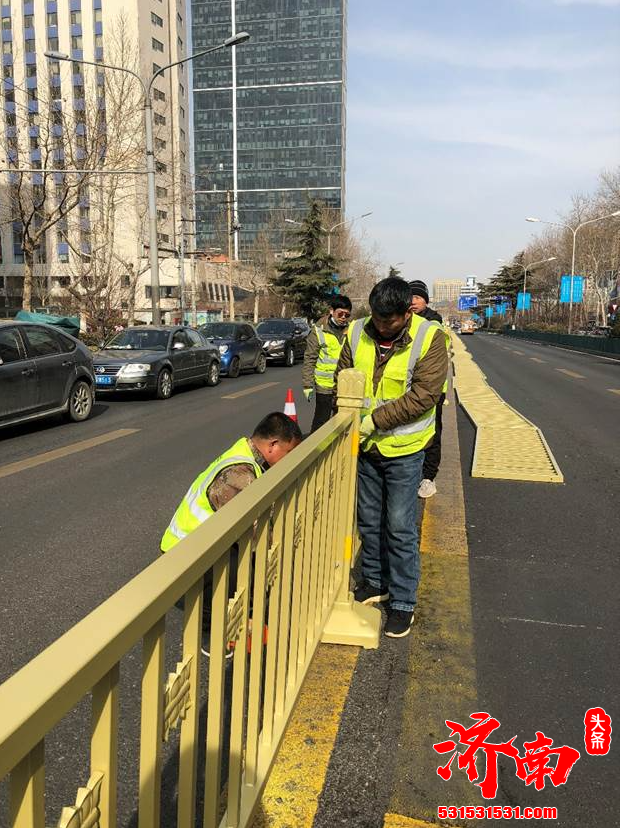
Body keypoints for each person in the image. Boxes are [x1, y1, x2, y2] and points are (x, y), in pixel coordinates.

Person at [334, 277, 448, 638]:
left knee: (399, 526)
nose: (382, 327)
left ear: (407, 314)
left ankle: (402, 601)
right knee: (367, 519)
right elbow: (344, 377)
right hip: (367, 448)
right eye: (378, 320)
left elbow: (425, 395)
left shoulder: (430, 338)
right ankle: (374, 580)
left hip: (405, 450)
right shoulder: (356, 333)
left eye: (391, 321)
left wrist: (374, 421)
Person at [160, 412, 302, 552]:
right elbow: (254, 536)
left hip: (199, 549)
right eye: (289, 452)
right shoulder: (237, 474)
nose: (290, 459)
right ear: (273, 445)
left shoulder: (245, 453)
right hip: (184, 556)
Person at [408, 280, 446, 499]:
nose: (413, 302)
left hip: (433, 390)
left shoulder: (433, 322)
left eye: (417, 298)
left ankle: (428, 477)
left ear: (426, 301)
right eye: (410, 298)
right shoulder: (402, 319)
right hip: (409, 386)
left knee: (432, 432)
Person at [302, 295, 352, 433]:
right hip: (324, 385)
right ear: (331, 311)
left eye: (347, 315)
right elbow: (310, 358)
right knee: (321, 421)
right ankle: (315, 451)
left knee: (341, 421)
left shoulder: (351, 330)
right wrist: (307, 384)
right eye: (340, 313)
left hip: (344, 386)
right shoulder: (318, 330)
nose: (343, 317)